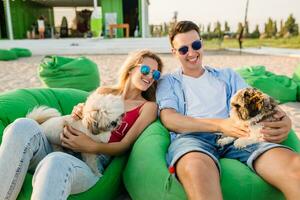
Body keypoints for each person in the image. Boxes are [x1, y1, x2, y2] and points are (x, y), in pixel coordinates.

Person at [156, 20, 300, 200]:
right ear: (174, 53)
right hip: (192, 138)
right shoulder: (168, 82)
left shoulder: (227, 75)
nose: (191, 53)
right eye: (183, 49)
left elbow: (258, 100)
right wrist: (221, 125)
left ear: (202, 44)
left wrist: (284, 119)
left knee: (295, 168)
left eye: (196, 45)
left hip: (240, 135)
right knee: (196, 169)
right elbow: (170, 119)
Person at [0, 49, 163, 200]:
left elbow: (125, 145)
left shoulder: (148, 107)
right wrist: (79, 110)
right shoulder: (103, 92)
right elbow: (82, 117)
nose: (150, 76)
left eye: (155, 74)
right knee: (22, 125)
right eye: (145, 70)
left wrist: (91, 146)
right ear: (131, 68)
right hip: (58, 143)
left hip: (91, 164)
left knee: (56, 161)